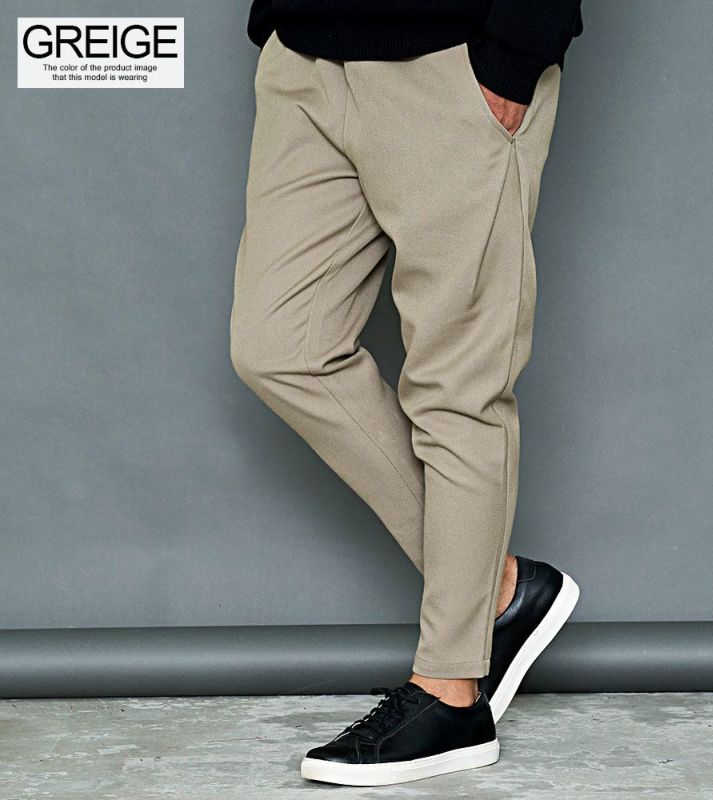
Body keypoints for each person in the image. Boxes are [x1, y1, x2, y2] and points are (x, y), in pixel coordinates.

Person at [230, 0, 584, 786]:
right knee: (281, 347)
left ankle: (452, 695)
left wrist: (519, 45)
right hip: (306, 50)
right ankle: (498, 590)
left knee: (458, 383)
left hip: (451, 54)